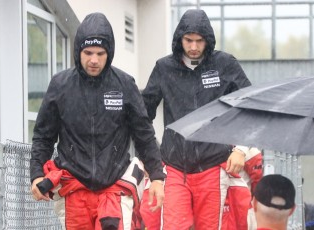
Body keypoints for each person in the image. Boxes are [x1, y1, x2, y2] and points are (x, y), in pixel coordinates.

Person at [30, 12, 165, 230]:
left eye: (100, 53)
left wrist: (157, 177)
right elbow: (43, 137)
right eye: (88, 52)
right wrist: (36, 174)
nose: (94, 60)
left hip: (114, 189)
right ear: (78, 51)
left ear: (109, 52)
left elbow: (144, 133)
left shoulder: (125, 84)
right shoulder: (60, 85)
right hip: (74, 190)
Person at [142, 9, 252, 229]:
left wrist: (242, 149)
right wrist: (148, 157)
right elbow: (142, 115)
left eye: (199, 41)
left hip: (212, 167)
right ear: (179, 39)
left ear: (208, 40)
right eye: (188, 40)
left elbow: (250, 104)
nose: (193, 47)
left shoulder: (225, 64)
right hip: (173, 168)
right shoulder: (164, 68)